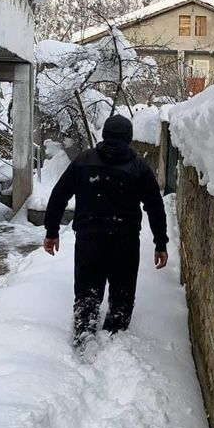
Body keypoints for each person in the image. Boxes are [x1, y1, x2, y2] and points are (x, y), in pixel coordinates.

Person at [43, 115, 168, 347]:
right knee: (122, 292)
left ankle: (85, 335)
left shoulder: (83, 161)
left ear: (105, 134)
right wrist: (160, 242)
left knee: (87, 291)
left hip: (89, 238)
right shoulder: (138, 167)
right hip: (125, 240)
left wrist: (52, 231)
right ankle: (115, 338)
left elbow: (59, 195)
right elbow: (155, 206)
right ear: (129, 138)